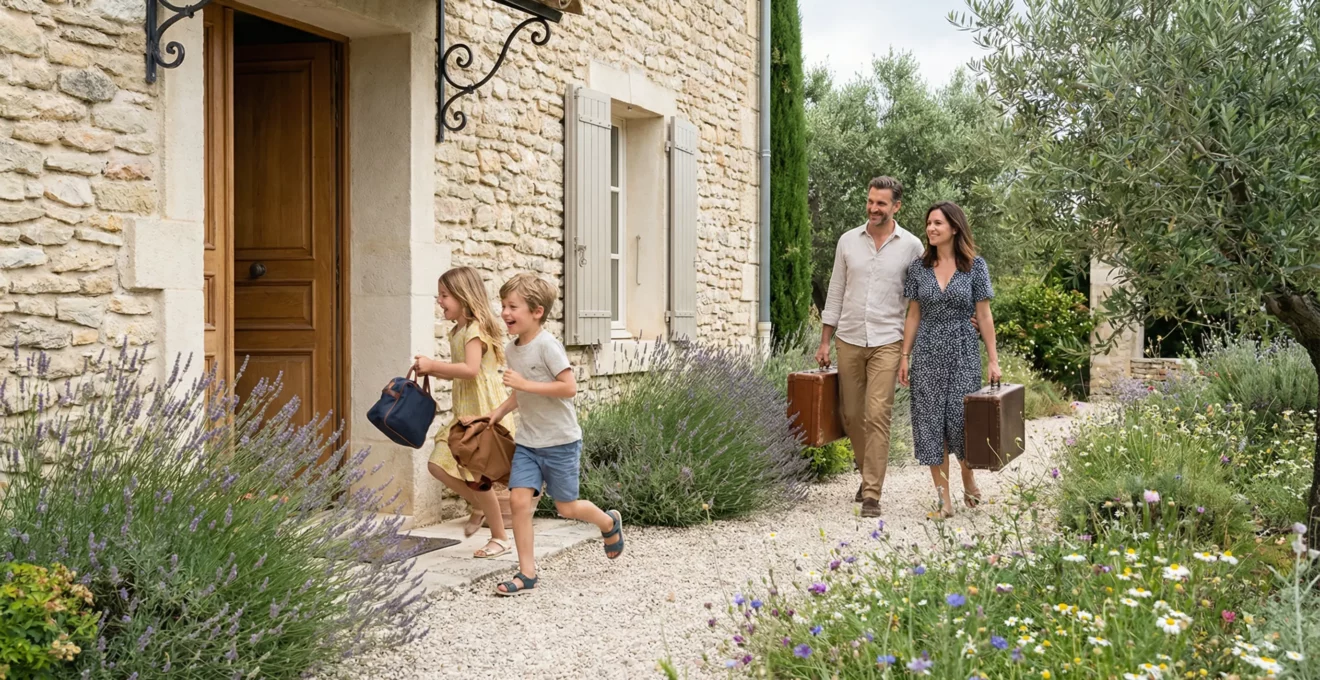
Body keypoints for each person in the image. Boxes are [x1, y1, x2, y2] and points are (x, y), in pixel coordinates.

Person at [483, 273, 624, 596]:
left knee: (567, 507)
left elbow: (568, 388)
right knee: (519, 501)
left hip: (560, 442)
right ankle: (526, 573)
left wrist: (523, 384)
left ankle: (607, 523)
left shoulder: (548, 346)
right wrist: (500, 412)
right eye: (503, 305)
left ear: (537, 312)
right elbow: (523, 392)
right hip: (529, 443)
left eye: (512, 306)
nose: (505, 312)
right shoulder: (512, 348)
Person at [816, 176, 924, 518]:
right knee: (851, 416)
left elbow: (919, 300)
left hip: (888, 341)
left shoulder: (912, 247)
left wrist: (909, 349)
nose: (873, 208)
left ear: (896, 207)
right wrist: (824, 340)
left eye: (881, 203)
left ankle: (872, 494)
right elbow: (835, 291)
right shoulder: (848, 241)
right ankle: (867, 475)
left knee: (878, 413)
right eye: (870, 201)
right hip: (848, 337)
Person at [898, 201, 1001, 520]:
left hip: (963, 351)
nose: (931, 228)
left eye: (938, 223)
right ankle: (944, 502)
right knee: (930, 425)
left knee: (960, 421)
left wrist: (993, 360)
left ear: (954, 227)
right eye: (928, 223)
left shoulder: (975, 267)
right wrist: (905, 355)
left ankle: (968, 476)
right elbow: (913, 314)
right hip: (926, 351)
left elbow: (984, 315)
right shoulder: (918, 268)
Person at [413, 266, 515, 559]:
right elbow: (461, 373)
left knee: (479, 480)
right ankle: (480, 505)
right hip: (465, 412)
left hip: (483, 414)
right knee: (437, 464)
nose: (439, 301)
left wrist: (434, 365)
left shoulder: (475, 329)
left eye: (444, 295)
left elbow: (470, 370)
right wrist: (430, 371)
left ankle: (499, 537)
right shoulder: (458, 330)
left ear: (463, 296)